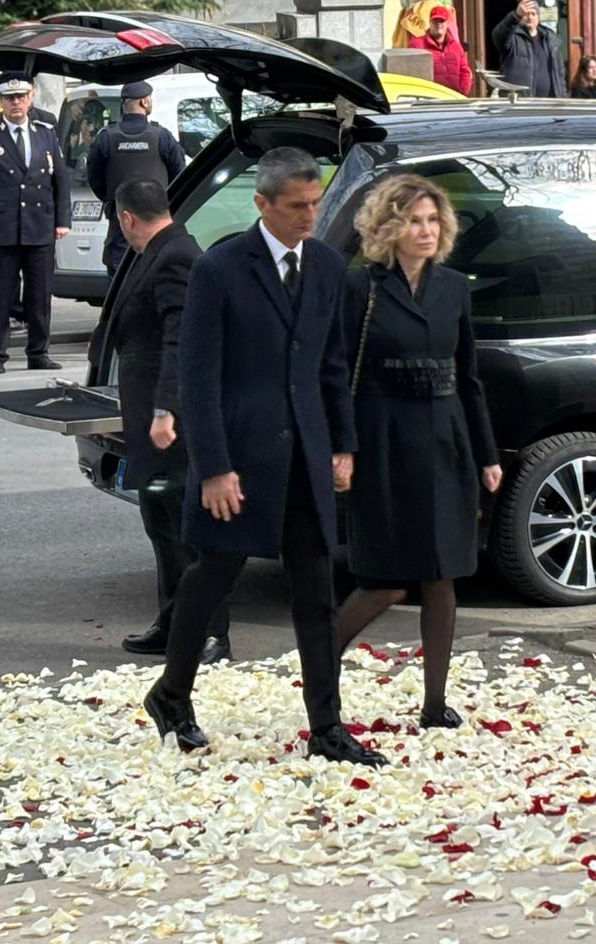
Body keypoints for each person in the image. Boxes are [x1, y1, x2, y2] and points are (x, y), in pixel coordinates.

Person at [143, 146, 386, 768]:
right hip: (239, 457)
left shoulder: (327, 266)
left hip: (307, 455)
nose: (310, 215)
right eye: (297, 206)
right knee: (212, 579)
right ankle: (171, 694)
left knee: (316, 592)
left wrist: (343, 444)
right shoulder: (219, 269)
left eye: (316, 203)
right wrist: (214, 467)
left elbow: (332, 366)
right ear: (263, 203)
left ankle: (326, 726)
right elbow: (199, 377)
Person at [335, 175, 501, 728]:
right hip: (382, 437)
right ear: (389, 227)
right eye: (413, 220)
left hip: (445, 440)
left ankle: (434, 703)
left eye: (433, 220)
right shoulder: (360, 287)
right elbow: (337, 373)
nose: (426, 231)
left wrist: (487, 454)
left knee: (441, 574)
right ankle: (320, 664)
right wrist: (343, 447)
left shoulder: (453, 286)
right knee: (384, 579)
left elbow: (469, 375)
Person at [104, 179, 232, 665]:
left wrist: (165, 409)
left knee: (187, 529)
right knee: (160, 524)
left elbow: (182, 341)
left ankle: (211, 632)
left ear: (126, 218)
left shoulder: (176, 257)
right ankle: (174, 622)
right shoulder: (154, 252)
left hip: (170, 424)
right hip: (149, 419)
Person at [0, 72, 70, 374]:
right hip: (2, 229)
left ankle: (38, 352)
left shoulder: (45, 133)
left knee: (40, 296)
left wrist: (62, 219)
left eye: (21, 97)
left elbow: (60, 180)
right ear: (0, 101)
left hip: (39, 226)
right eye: (9, 98)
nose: (15, 103)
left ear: (31, 97)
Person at [86, 80, 185, 273]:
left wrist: (115, 200)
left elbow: (95, 178)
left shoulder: (106, 137)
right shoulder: (161, 136)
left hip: (121, 221)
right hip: (157, 220)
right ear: (144, 102)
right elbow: (179, 173)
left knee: (120, 272)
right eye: (150, 99)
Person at [491, 0, 567, 97]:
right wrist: (516, 15)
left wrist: (562, 98)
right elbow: (499, 35)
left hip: (548, 103)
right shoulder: (512, 39)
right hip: (519, 102)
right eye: (526, 14)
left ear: (538, 17)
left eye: (533, 14)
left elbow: (560, 75)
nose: (530, 17)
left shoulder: (551, 41)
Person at [414, 6, 473, 96]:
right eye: (435, 21)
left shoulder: (456, 47)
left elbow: (465, 72)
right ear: (429, 22)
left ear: (447, 23)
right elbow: (413, 74)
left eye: (441, 21)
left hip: (454, 98)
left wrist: (462, 92)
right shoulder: (417, 45)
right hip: (430, 99)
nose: (438, 24)